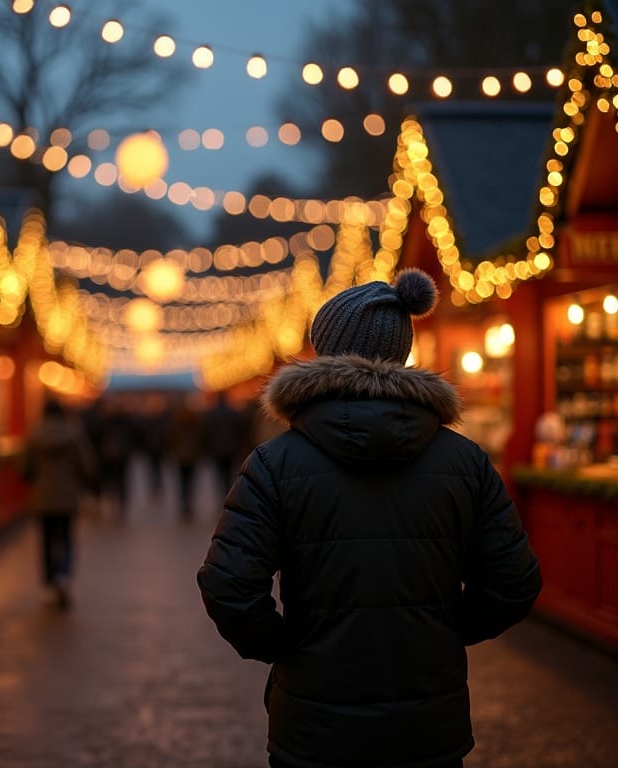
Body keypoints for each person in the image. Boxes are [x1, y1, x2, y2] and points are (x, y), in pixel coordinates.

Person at [197, 269, 542, 768]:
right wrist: (444, 631)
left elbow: (229, 587)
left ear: (325, 350)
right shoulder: (465, 461)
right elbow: (514, 581)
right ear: (401, 349)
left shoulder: (275, 463)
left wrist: (286, 647)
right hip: (429, 725)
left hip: (316, 726)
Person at [21, 397, 97, 608]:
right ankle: (64, 574)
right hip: (68, 496)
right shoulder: (74, 434)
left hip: (43, 497)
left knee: (46, 538)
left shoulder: (35, 435)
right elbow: (87, 465)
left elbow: (26, 467)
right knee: (66, 537)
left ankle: (51, 577)